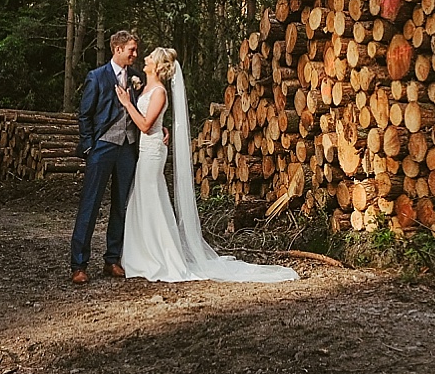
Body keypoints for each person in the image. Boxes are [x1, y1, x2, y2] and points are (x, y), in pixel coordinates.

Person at [115, 47, 298, 284]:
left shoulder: (159, 91)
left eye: (150, 57)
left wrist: (128, 104)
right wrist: (160, 125)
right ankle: (143, 254)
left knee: (151, 199)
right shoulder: (147, 86)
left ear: (158, 66)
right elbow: (154, 121)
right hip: (146, 149)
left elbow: (146, 125)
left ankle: (161, 256)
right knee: (144, 198)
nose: (146, 58)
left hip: (152, 152)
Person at [69, 30, 145, 285]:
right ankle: (79, 264)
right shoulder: (97, 77)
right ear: (117, 49)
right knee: (90, 205)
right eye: (131, 49)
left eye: (135, 50)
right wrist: (90, 147)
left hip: (128, 147)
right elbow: (85, 115)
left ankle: (112, 259)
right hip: (102, 146)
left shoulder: (137, 77)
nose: (135, 54)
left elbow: (142, 110)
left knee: (121, 204)